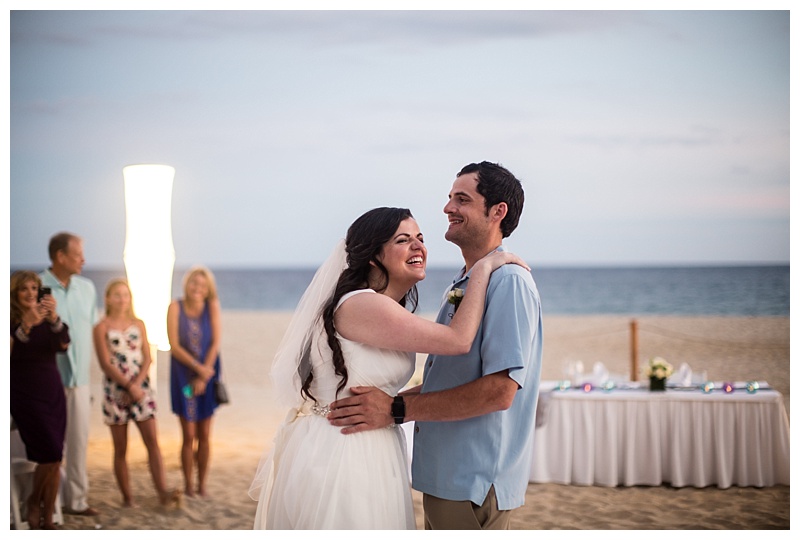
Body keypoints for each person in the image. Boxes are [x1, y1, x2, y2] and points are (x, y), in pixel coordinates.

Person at [248, 206, 528, 529]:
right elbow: (457, 340)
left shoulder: (383, 307)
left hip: (371, 442)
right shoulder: (361, 304)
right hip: (343, 450)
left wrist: (395, 406)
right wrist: (483, 268)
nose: (418, 246)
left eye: (420, 238)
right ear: (372, 255)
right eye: (403, 240)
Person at [328, 162, 543, 530]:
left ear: (497, 212)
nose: (448, 208)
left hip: (471, 479)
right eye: (449, 198)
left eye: (462, 199)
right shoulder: (468, 283)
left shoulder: (507, 282)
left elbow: (500, 391)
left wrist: (396, 409)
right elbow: (449, 376)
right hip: (447, 477)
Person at [93, 278, 182, 508]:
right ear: (108, 298)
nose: (122, 299)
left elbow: (148, 357)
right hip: (116, 391)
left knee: (152, 442)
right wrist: (127, 385)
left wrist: (137, 385)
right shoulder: (101, 327)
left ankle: (162, 492)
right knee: (120, 448)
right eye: (117, 295)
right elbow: (105, 363)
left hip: (142, 390)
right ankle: (127, 498)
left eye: (125, 294)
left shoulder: (139, 323)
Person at [40, 232, 100, 517]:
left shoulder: (87, 288)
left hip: (80, 382)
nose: (84, 260)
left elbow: (92, 330)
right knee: (49, 447)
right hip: (47, 382)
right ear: (60, 256)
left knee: (78, 442)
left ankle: (76, 501)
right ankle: (45, 504)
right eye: (78, 255)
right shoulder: (37, 286)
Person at [10, 271, 71, 529]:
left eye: (35, 288)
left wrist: (54, 317)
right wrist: (26, 325)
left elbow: (64, 344)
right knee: (49, 453)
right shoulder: (11, 319)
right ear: (15, 293)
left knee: (56, 457)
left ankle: (47, 519)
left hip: (52, 390)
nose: (31, 293)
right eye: (25, 289)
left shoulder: (47, 318)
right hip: (25, 393)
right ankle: (34, 502)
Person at [167, 266, 223, 498]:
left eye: (202, 285)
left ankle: (202, 486)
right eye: (193, 283)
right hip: (183, 375)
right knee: (188, 435)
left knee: (205, 435)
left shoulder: (212, 307)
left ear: (208, 288)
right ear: (186, 284)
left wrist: (204, 373)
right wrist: (197, 370)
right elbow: (174, 346)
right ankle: (188, 485)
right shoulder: (175, 307)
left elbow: (215, 342)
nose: (197, 288)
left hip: (208, 373)